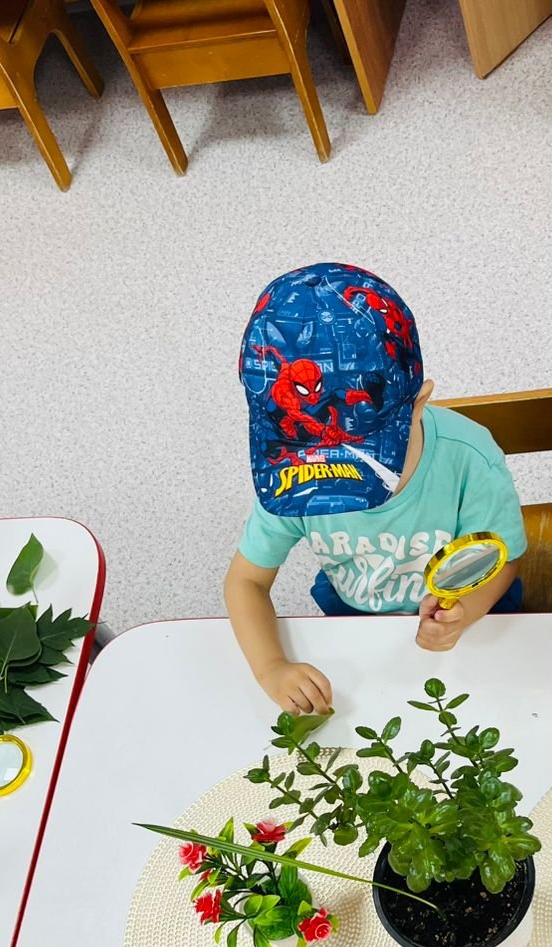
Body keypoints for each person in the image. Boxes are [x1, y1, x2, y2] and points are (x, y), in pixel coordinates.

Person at [224, 263, 527, 714]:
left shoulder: (469, 457)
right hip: (354, 619)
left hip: (468, 616)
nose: (332, 478)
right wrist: (271, 667)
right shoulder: (289, 473)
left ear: (419, 404)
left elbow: (504, 557)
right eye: (310, 451)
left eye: (357, 454)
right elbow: (246, 581)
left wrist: (465, 613)